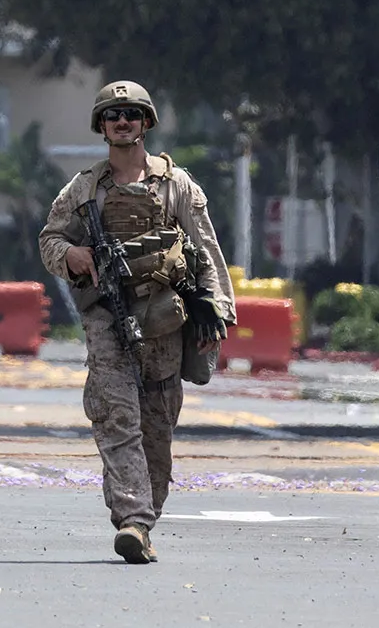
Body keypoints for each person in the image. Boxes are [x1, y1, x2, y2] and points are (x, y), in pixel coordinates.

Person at [39, 82, 234, 564]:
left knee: (157, 430)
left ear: (145, 122)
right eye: (112, 115)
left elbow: (206, 249)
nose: (121, 122)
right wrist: (72, 253)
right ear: (101, 127)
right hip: (108, 319)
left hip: (165, 320)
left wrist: (215, 306)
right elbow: (49, 241)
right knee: (116, 416)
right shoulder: (83, 189)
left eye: (130, 114)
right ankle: (133, 519)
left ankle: (146, 516)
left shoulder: (177, 185)